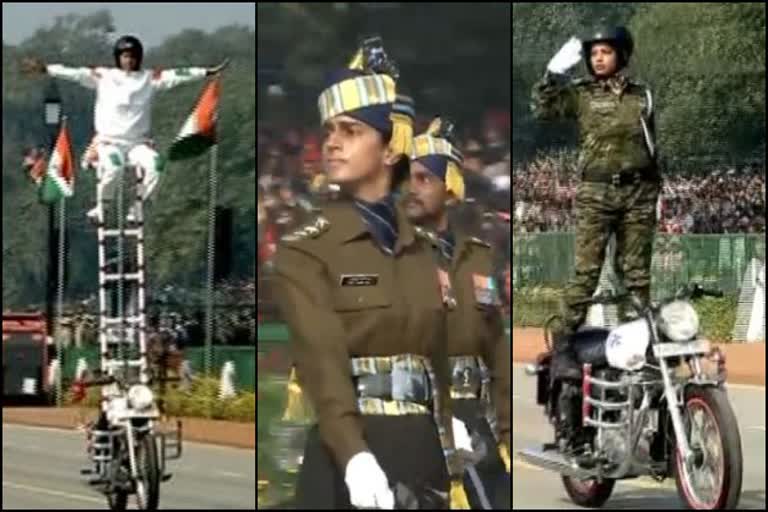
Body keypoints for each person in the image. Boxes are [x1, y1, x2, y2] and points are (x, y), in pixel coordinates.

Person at [273, 37, 468, 509]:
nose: (332, 143)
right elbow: (323, 362)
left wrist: (449, 419)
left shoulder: (422, 250)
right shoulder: (306, 249)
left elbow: (433, 354)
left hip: (421, 455)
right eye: (329, 131)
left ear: (389, 148)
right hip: (347, 457)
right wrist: (355, 456)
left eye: (351, 130)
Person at [531, 26, 661, 378]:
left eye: (605, 52)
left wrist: (654, 193)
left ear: (621, 55)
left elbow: (651, 147)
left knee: (636, 275)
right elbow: (544, 111)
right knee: (587, 273)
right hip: (596, 193)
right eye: (593, 53)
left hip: (638, 193)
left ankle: (640, 347)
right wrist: (551, 76)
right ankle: (563, 347)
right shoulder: (582, 95)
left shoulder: (642, 96)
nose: (598, 58)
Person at [404, 117, 511, 509]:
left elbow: (495, 344)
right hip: (414, 420)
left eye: (422, 179)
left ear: (450, 188)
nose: (410, 189)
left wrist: (506, 425)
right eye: (406, 179)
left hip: (471, 414)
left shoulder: (477, 255)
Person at [21, 35, 229, 223]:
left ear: (138, 58)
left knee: (157, 165)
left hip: (137, 143)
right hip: (108, 141)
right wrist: (47, 69)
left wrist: (206, 72)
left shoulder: (149, 78)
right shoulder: (104, 76)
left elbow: (178, 75)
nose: (128, 61)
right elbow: (75, 73)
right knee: (114, 166)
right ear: (118, 58)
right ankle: (102, 208)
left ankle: (138, 208)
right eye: (124, 56)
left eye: (132, 57)